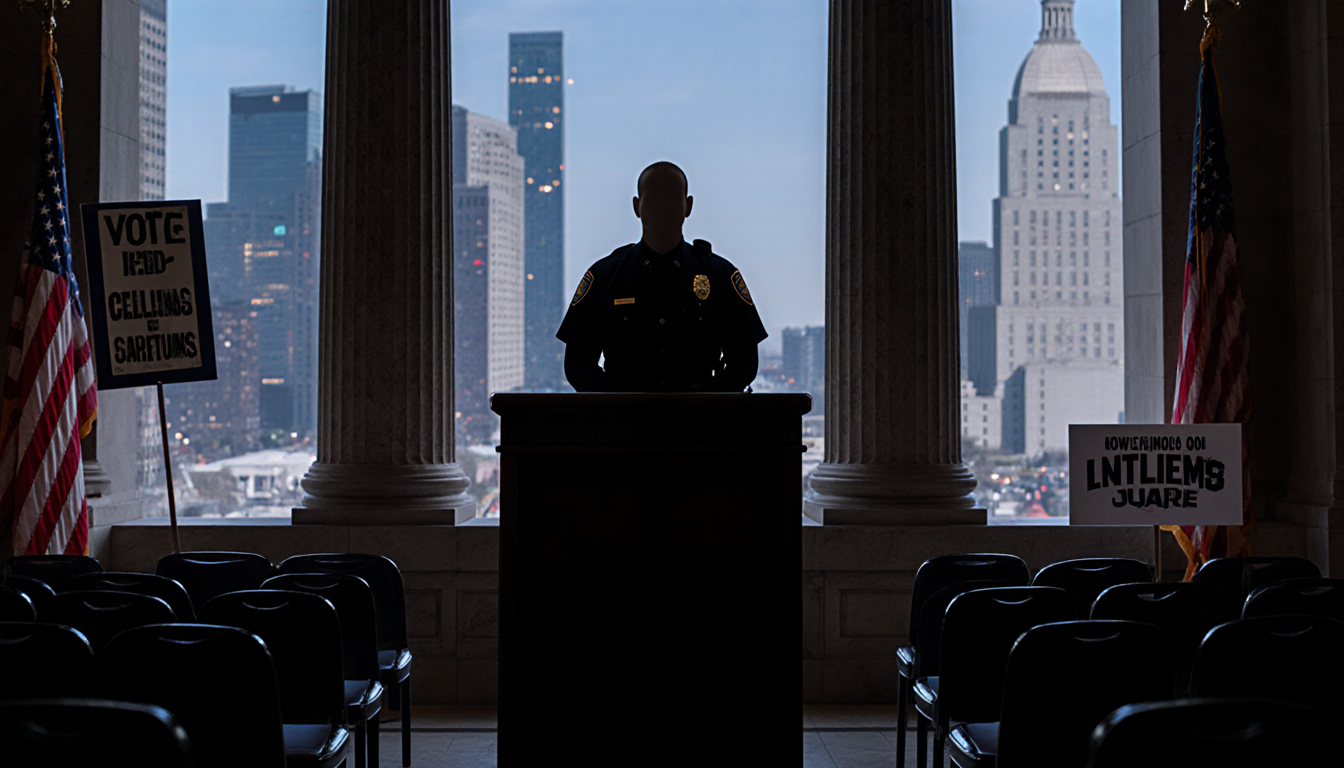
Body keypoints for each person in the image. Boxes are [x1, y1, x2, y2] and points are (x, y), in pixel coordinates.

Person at [556, 161, 767, 392]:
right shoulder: (604, 277)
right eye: (654, 199)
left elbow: (745, 364)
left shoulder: (720, 276)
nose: (663, 208)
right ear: (637, 207)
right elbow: (577, 366)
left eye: (671, 199)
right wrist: (617, 405)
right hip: (623, 424)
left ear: (688, 206)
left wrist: (706, 403)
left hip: (700, 423)